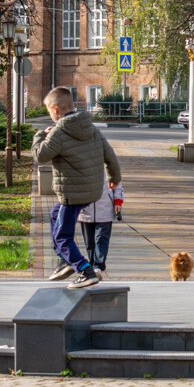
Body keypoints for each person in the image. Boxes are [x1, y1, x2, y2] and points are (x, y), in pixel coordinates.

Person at [33, 86, 122, 289]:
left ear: (55, 109)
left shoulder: (59, 132)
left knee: (62, 236)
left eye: (49, 112)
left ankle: (85, 270)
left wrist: (40, 135)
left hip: (72, 194)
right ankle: (65, 261)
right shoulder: (91, 128)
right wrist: (114, 178)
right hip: (92, 191)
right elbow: (110, 156)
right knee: (55, 214)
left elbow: (40, 156)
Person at [76, 179, 124, 278]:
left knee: (101, 239)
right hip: (85, 209)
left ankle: (98, 266)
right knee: (89, 243)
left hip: (105, 208)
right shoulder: (81, 164)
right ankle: (92, 266)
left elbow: (117, 181)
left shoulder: (108, 164)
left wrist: (118, 200)